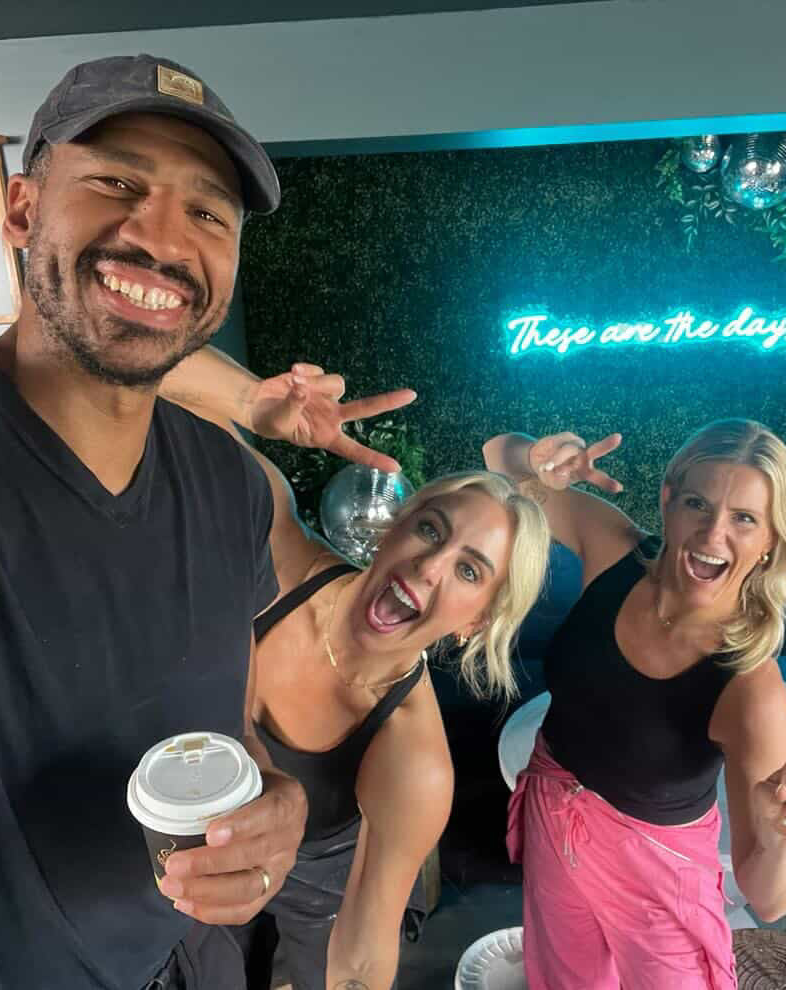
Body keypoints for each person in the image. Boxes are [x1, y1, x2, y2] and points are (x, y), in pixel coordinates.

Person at [0, 54, 414, 990]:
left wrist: (274, 802)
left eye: (207, 213)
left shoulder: (230, 488)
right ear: (21, 210)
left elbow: (215, 728)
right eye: (116, 182)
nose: (160, 238)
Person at [154, 367, 552, 989]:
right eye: (430, 529)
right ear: (393, 526)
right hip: (203, 826)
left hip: (317, 886)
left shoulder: (412, 757)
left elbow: (362, 956)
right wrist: (248, 400)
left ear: (475, 623)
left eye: (470, 572)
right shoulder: (284, 553)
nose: (430, 566)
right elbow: (152, 369)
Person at [484, 420, 786, 990]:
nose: (713, 533)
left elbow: (770, 899)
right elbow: (500, 456)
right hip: (555, 825)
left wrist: (785, 833)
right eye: (698, 503)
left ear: (770, 541)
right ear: (668, 500)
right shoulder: (614, 551)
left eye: (745, 518)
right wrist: (536, 456)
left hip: (658, 878)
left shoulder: (748, 685)